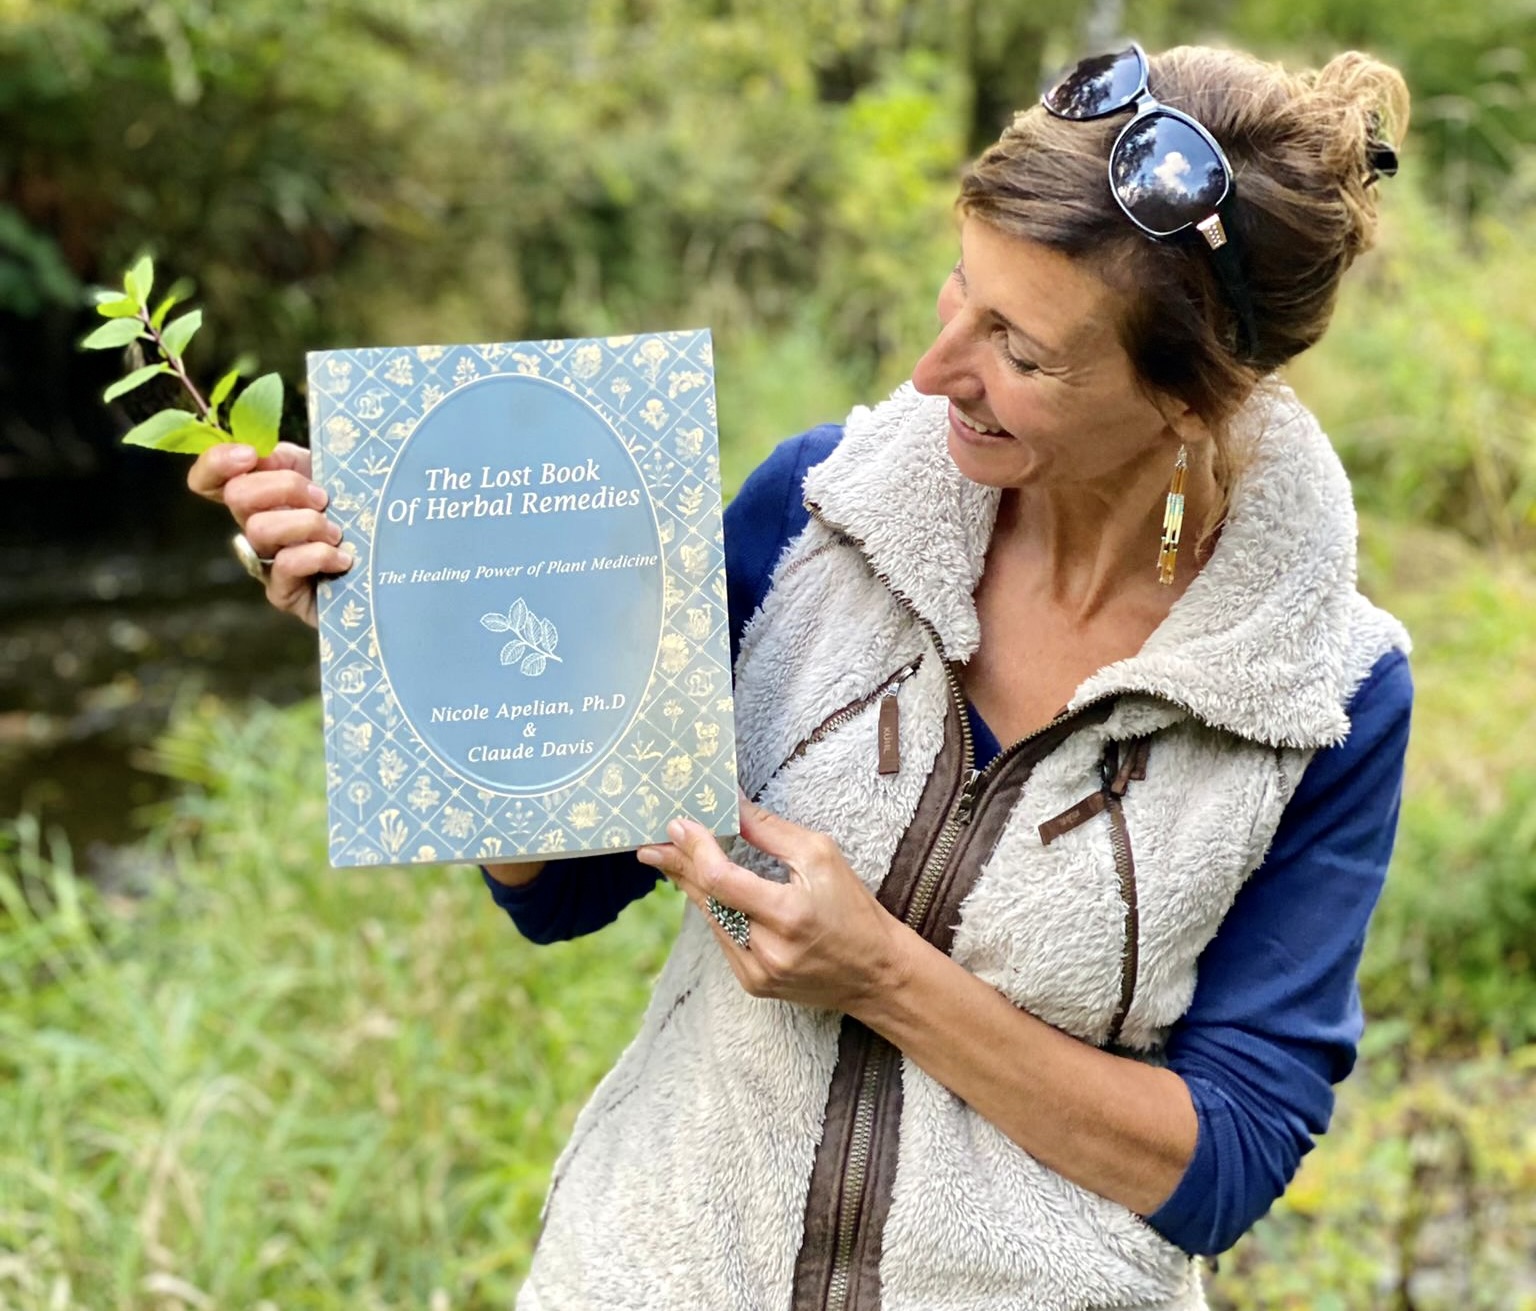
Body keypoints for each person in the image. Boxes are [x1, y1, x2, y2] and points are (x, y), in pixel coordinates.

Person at [190, 41, 1413, 1311]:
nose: (938, 370)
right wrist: (415, 631)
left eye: (1023, 350)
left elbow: (1229, 1163)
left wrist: (882, 974)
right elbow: (566, 883)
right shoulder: (816, 512)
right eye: (959, 290)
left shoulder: (1326, 694)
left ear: (1189, 401)